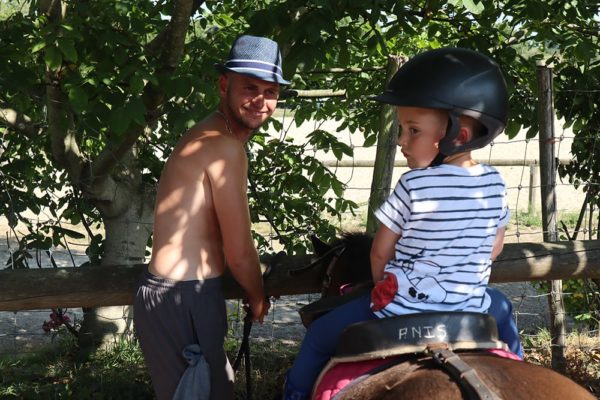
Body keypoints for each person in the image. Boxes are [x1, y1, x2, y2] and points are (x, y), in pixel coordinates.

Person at [283, 47, 523, 400]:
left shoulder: (413, 184)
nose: (401, 141)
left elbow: (380, 251)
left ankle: (293, 396)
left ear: (462, 133)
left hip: (402, 305)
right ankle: (516, 367)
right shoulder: (494, 182)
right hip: (471, 305)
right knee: (503, 309)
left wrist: (384, 288)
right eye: (401, 129)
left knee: (319, 336)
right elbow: (494, 247)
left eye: (413, 130)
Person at [134, 34, 290, 400]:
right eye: (249, 87)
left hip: (172, 295)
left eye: (271, 92)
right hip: (184, 298)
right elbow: (238, 249)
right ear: (224, 85)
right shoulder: (224, 148)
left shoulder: (207, 133)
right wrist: (257, 296)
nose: (261, 101)